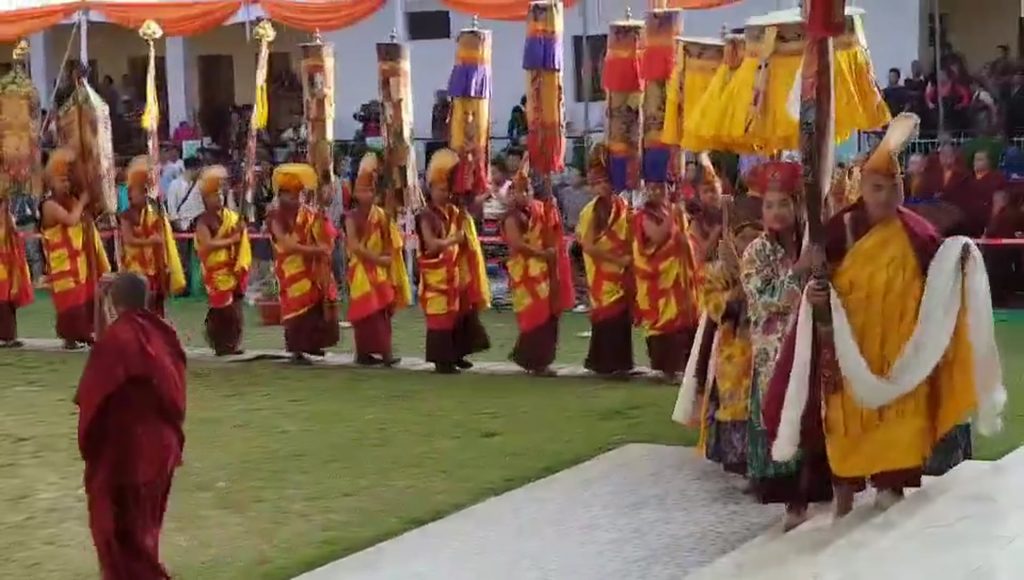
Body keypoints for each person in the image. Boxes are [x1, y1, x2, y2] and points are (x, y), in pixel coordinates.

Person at [764, 113, 1002, 518]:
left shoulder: (915, 231)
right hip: (851, 349)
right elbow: (805, 270)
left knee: (900, 419)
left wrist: (962, 260)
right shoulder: (843, 226)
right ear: (862, 189)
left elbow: (942, 265)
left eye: (895, 187)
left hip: (900, 354)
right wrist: (815, 283)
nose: (888, 196)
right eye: (877, 187)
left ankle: (892, 485)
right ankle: (844, 489)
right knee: (845, 420)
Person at [76, 272, 186, 580]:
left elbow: (95, 389)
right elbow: (106, 345)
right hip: (163, 449)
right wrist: (102, 303)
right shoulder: (162, 332)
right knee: (144, 535)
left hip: (132, 454)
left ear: (115, 299)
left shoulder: (121, 338)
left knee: (125, 541)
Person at [740, 162, 832, 530]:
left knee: (816, 415)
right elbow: (762, 298)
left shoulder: (814, 243)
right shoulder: (756, 252)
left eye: (782, 203)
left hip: (814, 345)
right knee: (784, 416)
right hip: (775, 352)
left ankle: (821, 490)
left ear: (797, 205)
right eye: (768, 205)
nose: (775, 212)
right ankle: (793, 503)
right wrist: (799, 274)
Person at [416, 148, 491, 374]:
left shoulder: (453, 211)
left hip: (455, 271)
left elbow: (470, 210)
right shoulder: (425, 215)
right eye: (440, 189)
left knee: (460, 313)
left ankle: (457, 354)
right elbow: (431, 244)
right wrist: (454, 240)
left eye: (447, 189)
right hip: (436, 274)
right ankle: (442, 360)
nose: (444, 193)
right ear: (430, 189)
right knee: (441, 317)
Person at [267, 163, 340, 364]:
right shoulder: (275, 216)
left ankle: (313, 345)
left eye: (298, 194)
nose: (296, 199)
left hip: (312, 269)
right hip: (291, 268)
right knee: (296, 308)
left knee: (316, 305)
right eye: (291, 195)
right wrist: (316, 250)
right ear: (280, 195)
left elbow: (322, 233)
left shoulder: (308, 213)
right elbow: (288, 245)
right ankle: (297, 349)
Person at [40, 148, 111, 349]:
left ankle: (86, 335)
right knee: (69, 305)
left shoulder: (71, 200)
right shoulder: (49, 205)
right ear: (50, 181)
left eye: (68, 180)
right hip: (62, 264)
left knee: (87, 299)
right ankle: (72, 338)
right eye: (61, 180)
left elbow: (84, 218)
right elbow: (71, 221)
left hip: (79, 263)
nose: (66, 184)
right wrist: (82, 200)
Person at [345, 153, 410, 366]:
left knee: (381, 313)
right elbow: (354, 246)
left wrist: (387, 259)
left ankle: (386, 353)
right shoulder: (351, 217)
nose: (368, 194)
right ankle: (363, 354)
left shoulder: (381, 215)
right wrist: (378, 260)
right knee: (365, 313)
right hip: (361, 270)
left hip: (380, 270)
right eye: (363, 190)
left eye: (371, 190)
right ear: (355, 193)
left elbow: (390, 239)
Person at [576, 143, 634, 378]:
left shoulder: (623, 205)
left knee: (622, 318)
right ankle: (603, 363)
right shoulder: (589, 212)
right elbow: (588, 246)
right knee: (607, 317)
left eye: (604, 181)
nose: (600, 187)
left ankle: (621, 363)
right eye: (595, 183)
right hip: (603, 270)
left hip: (623, 269)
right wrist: (616, 260)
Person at [632, 180, 698, 383]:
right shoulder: (643, 216)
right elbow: (658, 236)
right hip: (657, 284)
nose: (656, 191)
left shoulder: (670, 211)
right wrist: (674, 213)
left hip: (678, 280)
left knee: (684, 324)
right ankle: (664, 368)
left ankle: (683, 367)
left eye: (661, 187)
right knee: (664, 326)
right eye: (651, 187)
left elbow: (684, 239)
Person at [502, 168, 565, 376]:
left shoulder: (539, 209)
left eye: (527, 189)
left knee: (547, 314)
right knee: (534, 314)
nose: (524, 194)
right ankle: (534, 362)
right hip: (524, 272)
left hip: (542, 271)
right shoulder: (512, 217)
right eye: (518, 191)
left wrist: (551, 206)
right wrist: (542, 254)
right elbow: (517, 244)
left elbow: (551, 225)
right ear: (511, 194)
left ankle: (536, 360)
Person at [119, 156, 186, 318]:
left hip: (155, 268)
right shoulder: (127, 215)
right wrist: (150, 241)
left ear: (144, 191)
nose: (129, 194)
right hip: (135, 270)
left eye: (133, 190)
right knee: (138, 309)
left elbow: (163, 238)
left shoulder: (155, 213)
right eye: (129, 189)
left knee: (156, 309)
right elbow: (128, 240)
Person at [194, 165, 251, 356]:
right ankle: (220, 344)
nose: (218, 197)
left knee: (235, 309)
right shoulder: (203, 221)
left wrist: (240, 230)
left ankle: (232, 344)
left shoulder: (231, 216)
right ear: (205, 199)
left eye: (220, 193)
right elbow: (206, 245)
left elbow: (238, 238)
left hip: (232, 268)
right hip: (216, 272)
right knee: (222, 310)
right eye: (213, 195)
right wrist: (231, 239)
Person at [0, 196, 33, 347]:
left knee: (9, 302)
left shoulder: (8, 219)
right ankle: (6, 337)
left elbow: (14, 237)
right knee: (3, 303)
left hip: (9, 268)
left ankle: (9, 336)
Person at [949, 149, 1006, 237]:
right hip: (966, 224)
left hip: (986, 223)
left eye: (980, 160)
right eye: (975, 160)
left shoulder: (997, 179)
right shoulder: (965, 179)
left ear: (988, 162)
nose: (976, 162)